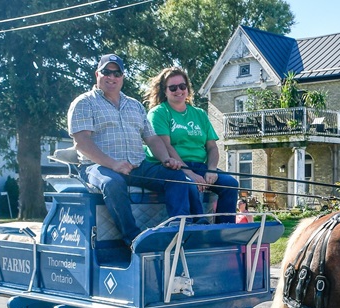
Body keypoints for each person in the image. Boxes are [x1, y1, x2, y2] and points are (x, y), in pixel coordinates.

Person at [67, 54, 190, 246]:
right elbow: (82, 142)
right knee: (112, 183)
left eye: (117, 73)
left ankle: (179, 231)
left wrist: (166, 159)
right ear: (97, 74)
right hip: (97, 167)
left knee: (177, 177)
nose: (112, 77)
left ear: (122, 76)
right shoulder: (84, 103)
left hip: (137, 166)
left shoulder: (134, 105)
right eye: (107, 72)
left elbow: (152, 139)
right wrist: (113, 164)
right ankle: (134, 240)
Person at [144, 67, 240, 223]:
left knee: (231, 184)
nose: (179, 91)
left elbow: (212, 147)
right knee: (187, 184)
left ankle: (223, 230)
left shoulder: (199, 114)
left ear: (187, 89)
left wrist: (211, 169)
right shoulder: (159, 113)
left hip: (200, 165)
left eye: (182, 86)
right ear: (164, 90)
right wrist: (190, 174)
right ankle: (196, 226)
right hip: (174, 166)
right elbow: (167, 147)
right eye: (173, 87)